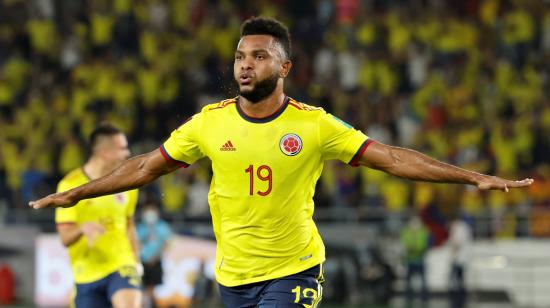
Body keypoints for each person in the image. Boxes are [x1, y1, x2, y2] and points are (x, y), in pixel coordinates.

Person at [30, 17, 533, 307]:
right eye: (239, 57)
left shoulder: (315, 125)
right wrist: (79, 192)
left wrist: (469, 177)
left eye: (259, 56)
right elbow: (144, 166)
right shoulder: (209, 122)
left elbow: (394, 158)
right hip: (232, 277)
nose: (246, 64)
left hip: (294, 270)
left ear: (284, 67)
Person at [54, 123, 142, 308]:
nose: (127, 153)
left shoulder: (127, 183)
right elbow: (65, 238)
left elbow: (129, 225)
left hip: (121, 264)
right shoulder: (70, 186)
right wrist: (81, 229)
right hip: (86, 273)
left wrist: (136, 260)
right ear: (104, 152)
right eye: (122, 148)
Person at [136, 203, 172, 308]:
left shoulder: (162, 226)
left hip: (156, 261)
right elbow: (136, 243)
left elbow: (167, 242)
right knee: (141, 286)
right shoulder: (140, 227)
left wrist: (157, 255)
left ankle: (151, 304)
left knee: (153, 287)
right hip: (142, 261)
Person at [400, 214, 430, 304]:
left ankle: (424, 299)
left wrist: (414, 248)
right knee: (409, 281)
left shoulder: (423, 231)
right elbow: (405, 244)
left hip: (420, 260)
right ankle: (409, 298)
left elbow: (423, 245)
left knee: (423, 281)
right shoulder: (406, 231)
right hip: (410, 260)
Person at [448, 214, 473, 308]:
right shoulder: (463, 228)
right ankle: (459, 301)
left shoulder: (460, 228)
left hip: (459, 259)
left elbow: (457, 243)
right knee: (459, 280)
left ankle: (458, 302)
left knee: (457, 281)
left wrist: (452, 254)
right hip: (461, 259)